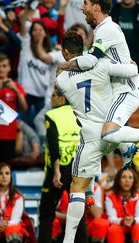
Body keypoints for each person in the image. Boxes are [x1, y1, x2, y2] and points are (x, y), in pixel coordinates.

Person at [57, 0, 139, 164]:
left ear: (96, 6)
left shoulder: (107, 29)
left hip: (125, 91)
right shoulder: (101, 30)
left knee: (108, 134)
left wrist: (65, 66)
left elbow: (91, 62)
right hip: (114, 91)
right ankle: (126, 147)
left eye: (86, 4)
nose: (82, 8)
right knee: (96, 128)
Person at [55, 31, 138, 243]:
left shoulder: (62, 79)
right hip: (111, 129)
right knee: (87, 175)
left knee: (76, 186)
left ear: (65, 52)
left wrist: (65, 67)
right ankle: (126, 145)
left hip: (91, 135)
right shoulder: (100, 64)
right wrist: (131, 64)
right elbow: (130, 68)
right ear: (83, 49)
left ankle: (68, 240)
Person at [38, 86, 87, 243]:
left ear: (62, 98)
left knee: (46, 213)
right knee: (78, 212)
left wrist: (57, 171)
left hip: (59, 170)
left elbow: (53, 144)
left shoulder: (52, 115)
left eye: (53, 95)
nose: (51, 98)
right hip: (77, 169)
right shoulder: (80, 114)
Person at [0, 53, 27, 171]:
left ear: (9, 68)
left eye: (4, 66)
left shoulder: (16, 85)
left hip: (9, 134)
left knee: (6, 168)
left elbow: (24, 108)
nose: (1, 69)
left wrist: (16, 91)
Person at [104, 168, 139, 243]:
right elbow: (111, 218)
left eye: (130, 177)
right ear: (118, 180)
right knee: (114, 229)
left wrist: (133, 220)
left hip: (134, 225)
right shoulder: (110, 196)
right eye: (123, 177)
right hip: (119, 225)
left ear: (134, 181)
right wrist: (122, 221)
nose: (127, 180)